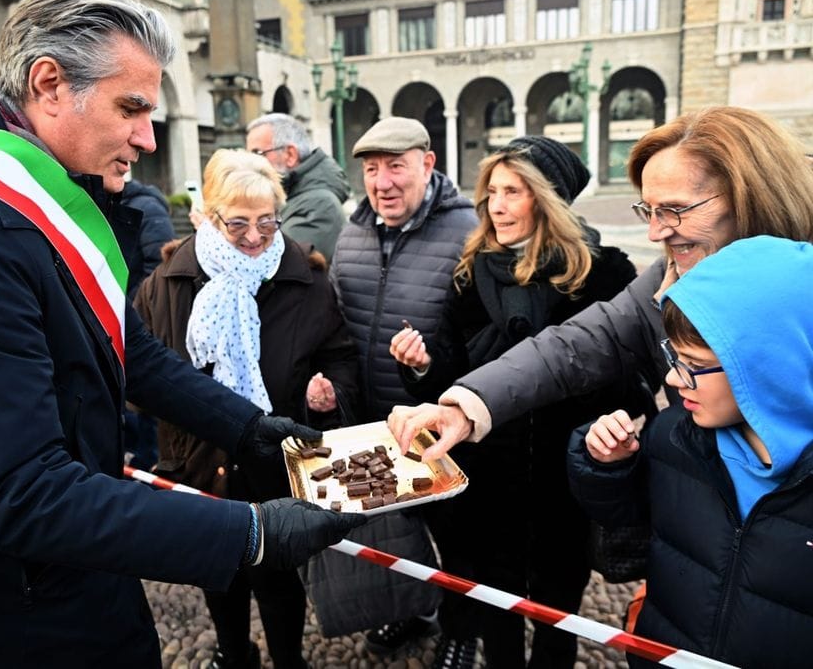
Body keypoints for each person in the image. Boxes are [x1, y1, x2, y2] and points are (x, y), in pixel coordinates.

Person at [0, 0, 364, 669]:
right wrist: (250, 534)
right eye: (132, 108)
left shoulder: (39, 197)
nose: (149, 138)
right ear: (51, 84)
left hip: (55, 569)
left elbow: (131, 352)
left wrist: (249, 430)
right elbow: (15, 491)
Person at [388, 106, 813, 464]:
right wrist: (467, 404)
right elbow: (578, 344)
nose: (656, 234)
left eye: (676, 210)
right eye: (648, 211)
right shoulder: (667, 278)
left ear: (752, 197)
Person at [390, 137, 647, 668]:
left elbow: (626, 380)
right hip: (487, 480)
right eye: (491, 192)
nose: (496, 205)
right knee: (496, 608)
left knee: (557, 612)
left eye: (513, 192)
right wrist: (420, 366)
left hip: (563, 484)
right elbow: (448, 371)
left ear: (548, 199)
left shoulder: (605, 275)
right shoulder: (471, 270)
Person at [134, 148, 359, 668]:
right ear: (210, 216)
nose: (256, 237)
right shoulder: (168, 281)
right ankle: (234, 654)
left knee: (278, 579)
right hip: (197, 458)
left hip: (276, 462)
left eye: (266, 221)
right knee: (218, 574)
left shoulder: (306, 277)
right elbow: (140, 368)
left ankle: (288, 660)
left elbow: (340, 357)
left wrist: (327, 392)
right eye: (238, 224)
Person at [568, 235, 813, 668]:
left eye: (695, 365)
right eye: (673, 358)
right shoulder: (673, 437)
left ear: (769, 364)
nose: (676, 381)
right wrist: (609, 469)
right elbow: (631, 541)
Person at [330, 116, 478, 654]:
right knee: (399, 534)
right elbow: (341, 328)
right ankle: (414, 612)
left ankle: (463, 634)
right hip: (376, 423)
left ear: (427, 164)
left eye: (396, 166)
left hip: (446, 429)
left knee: (459, 542)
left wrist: (428, 365)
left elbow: (482, 343)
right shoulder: (353, 233)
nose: (383, 182)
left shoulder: (469, 232)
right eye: (372, 169)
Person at [119, 177, 177, 469]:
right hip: (121, 329)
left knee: (148, 418)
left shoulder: (146, 208)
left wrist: (125, 309)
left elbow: (158, 270)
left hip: (139, 328)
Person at [246, 113, 349, 261]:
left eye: (257, 154)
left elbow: (274, 265)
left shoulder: (320, 205)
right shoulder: (289, 195)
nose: (250, 164)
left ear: (290, 155)